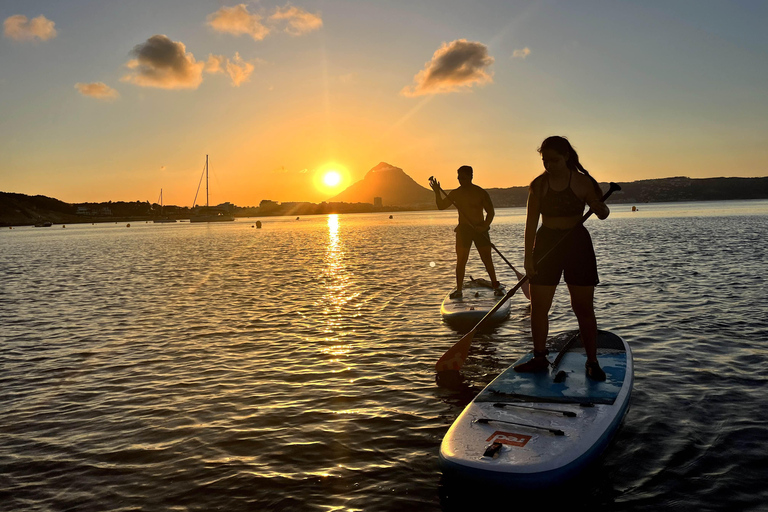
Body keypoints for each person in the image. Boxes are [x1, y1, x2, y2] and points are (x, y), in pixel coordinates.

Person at [513, 136, 610, 381]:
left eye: (554, 160)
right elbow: (530, 224)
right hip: (547, 244)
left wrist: (601, 209)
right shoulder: (538, 185)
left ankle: (592, 361)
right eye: (545, 160)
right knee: (539, 307)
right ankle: (538, 357)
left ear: (566, 156)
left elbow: (603, 212)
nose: (549, 165)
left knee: (583, 308)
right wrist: (528, 259)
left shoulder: (583, 182)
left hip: (577, 245)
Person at [431, 165, 503, 299]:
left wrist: (485, 226)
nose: (461, 181)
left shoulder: (480, 192)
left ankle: (496, 286)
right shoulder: (456, 193)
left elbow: (491, 212)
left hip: (480, 228)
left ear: (471, 177)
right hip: (464, 230)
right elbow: (441, 206)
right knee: (461, 260)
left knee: (487, 259)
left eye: (463, 178)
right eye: (459, 178)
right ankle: (459, 290)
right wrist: (436, 192)